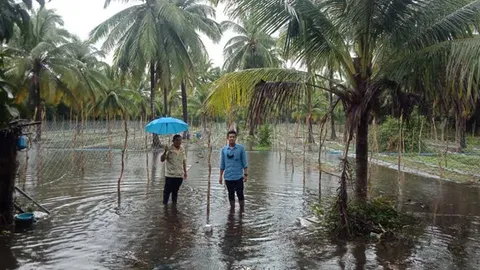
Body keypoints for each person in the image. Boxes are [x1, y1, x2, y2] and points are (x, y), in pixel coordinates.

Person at [219, 130, 248, 211]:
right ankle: (232, 212)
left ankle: (242, 211)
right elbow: (222, 164)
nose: (232, 138)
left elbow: (244, 162)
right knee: (230, 195)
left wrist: (245, 175)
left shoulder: (241, 148)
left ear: (236, 138)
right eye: (230, 137)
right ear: (227, 138)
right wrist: (220, 177)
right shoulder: (224, 150)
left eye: (233, 137)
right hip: (228, 177)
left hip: (238, 177)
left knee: (240, 195)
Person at [161, 134, 187, 205]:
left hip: (179, 175)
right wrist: (165, 151)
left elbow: (184, 161)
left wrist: (185, 172)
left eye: (180, 140)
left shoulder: (182, 149)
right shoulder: (169, 149)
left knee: (175, 192)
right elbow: (162, 159)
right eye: (177, 140)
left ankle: (174, 207)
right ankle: (165, 206)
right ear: (173, 141)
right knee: (167, 192)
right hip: (170, 175)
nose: (179, 142)